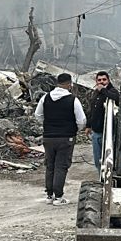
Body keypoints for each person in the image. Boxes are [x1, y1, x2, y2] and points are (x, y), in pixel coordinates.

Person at [34, 72, 86, 205]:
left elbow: (38, 115)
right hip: (66, 138)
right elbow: (81, 120)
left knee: (50, 165)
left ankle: (49, 195)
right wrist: (74, 129)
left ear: (57, 83)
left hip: (48, 137)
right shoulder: (73, 100)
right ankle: (58, 197)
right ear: (69, 84)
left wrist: (49, 124)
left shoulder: (45, 97)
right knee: (61, 166)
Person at [89, 71, 121, 172]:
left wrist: (103, 90)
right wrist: (88, 125)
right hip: (96, 132)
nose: (101, 82)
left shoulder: (112, 91)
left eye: (104, 79)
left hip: (108, 133)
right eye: (99, 80)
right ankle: (100, 176)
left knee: (107, 160)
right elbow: (92, 110)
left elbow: (117, 98)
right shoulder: (95, 93)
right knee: (97, 159)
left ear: (108, 80)